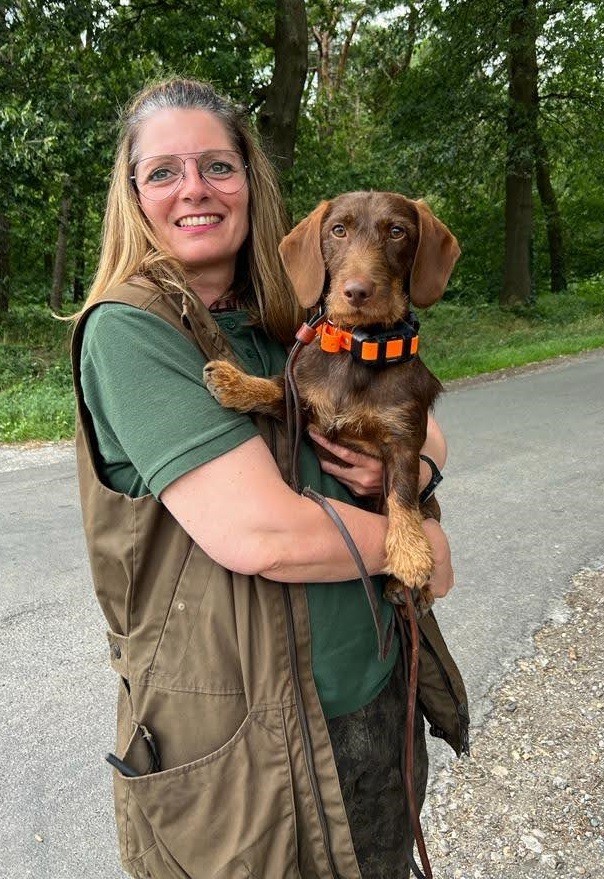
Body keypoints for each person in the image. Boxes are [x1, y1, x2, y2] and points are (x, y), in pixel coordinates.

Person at [71, 77, 468, 879]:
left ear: (250, 181)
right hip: (244, 741)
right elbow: (261, 532)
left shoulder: (289, 317)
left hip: (371, 689)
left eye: (218, 166)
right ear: (134, 195)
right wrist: (415, 543)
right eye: (163, 172)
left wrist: (421, 459)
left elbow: (415, 416)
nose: (195, 190)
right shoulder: (130, 332)